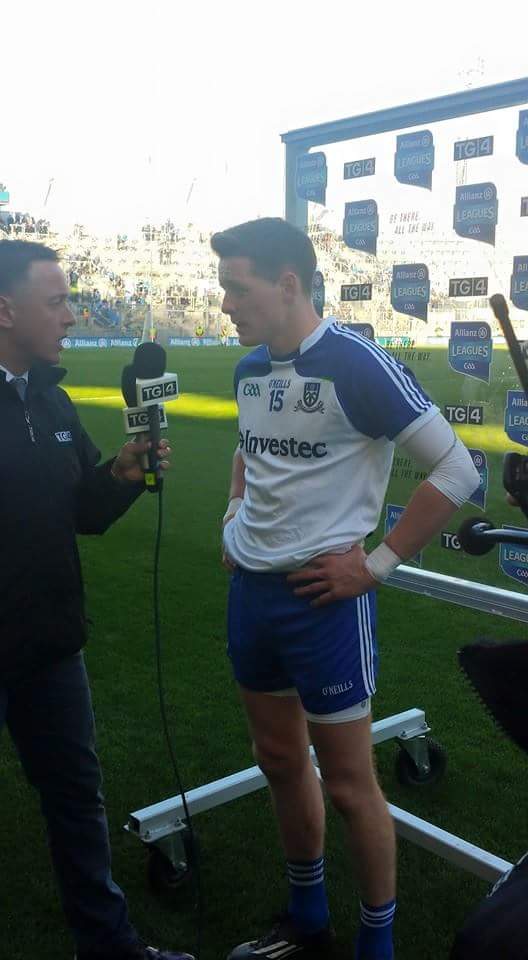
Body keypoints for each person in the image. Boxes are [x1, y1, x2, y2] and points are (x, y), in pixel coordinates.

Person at [211, 218, 480, 960]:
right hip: (253, 600)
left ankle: (377, 945)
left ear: (287, 284)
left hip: (324, 608)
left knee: (350, 785)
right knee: (278, 760)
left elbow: (458, 471)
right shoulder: (248, 371)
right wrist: (235, 518)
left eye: (236, 287)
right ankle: (308, 922)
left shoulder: (356, 363)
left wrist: (376, 565)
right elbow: (250, 452)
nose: (225, 302)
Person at [0, 241, 194, 960]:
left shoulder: (50, 397)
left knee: (78, 804)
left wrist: (121, 470)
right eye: (56, 302)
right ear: (5, 309)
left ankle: (110, 949)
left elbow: (85, 508)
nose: (72, 316)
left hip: (51, 647)